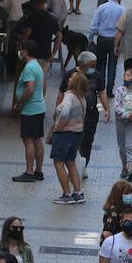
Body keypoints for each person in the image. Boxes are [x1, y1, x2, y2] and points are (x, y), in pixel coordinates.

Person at [63, 53, 109, 181]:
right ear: (82, 65)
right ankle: (73, 168)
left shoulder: (97, 76)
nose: (94, 67)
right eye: (91, 65)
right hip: (73, 116)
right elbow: (62, 93)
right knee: (73, 142)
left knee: (87, 142)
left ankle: (82, 168)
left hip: (90, 115)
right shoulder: (70, 75)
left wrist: (107, 109)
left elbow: (101, 92)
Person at [12, 40, 49, 183]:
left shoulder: (29, 68)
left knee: (28, 140)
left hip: (30, 109)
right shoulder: (38, 66)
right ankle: (38, 171)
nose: (20, 52)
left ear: (26, 51)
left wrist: (20, 102)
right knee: (37, 139)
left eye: (21, 49)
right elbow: (43, 86)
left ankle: (29, 171)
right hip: (39, 107)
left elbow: (30, 88)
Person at [50, 69, 88, 205]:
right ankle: (78, 192)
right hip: (77, 133)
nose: (69, 80)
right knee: (70, 162)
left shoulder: (69, 96)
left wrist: (58, 127)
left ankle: (67, 194)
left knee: (59, 163)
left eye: (71, 78)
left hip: (65, 134)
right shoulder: (82, 97)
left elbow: (64, 113)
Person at [90, 0, 125, 90]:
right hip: (115, 40)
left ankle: (100, 88)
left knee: (101, 64)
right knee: (112, 65)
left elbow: (94, 25)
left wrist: (91, 38)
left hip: (102, 39)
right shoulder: (122, 9)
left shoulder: (101, 8)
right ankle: (110, 89)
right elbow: (123, 27)